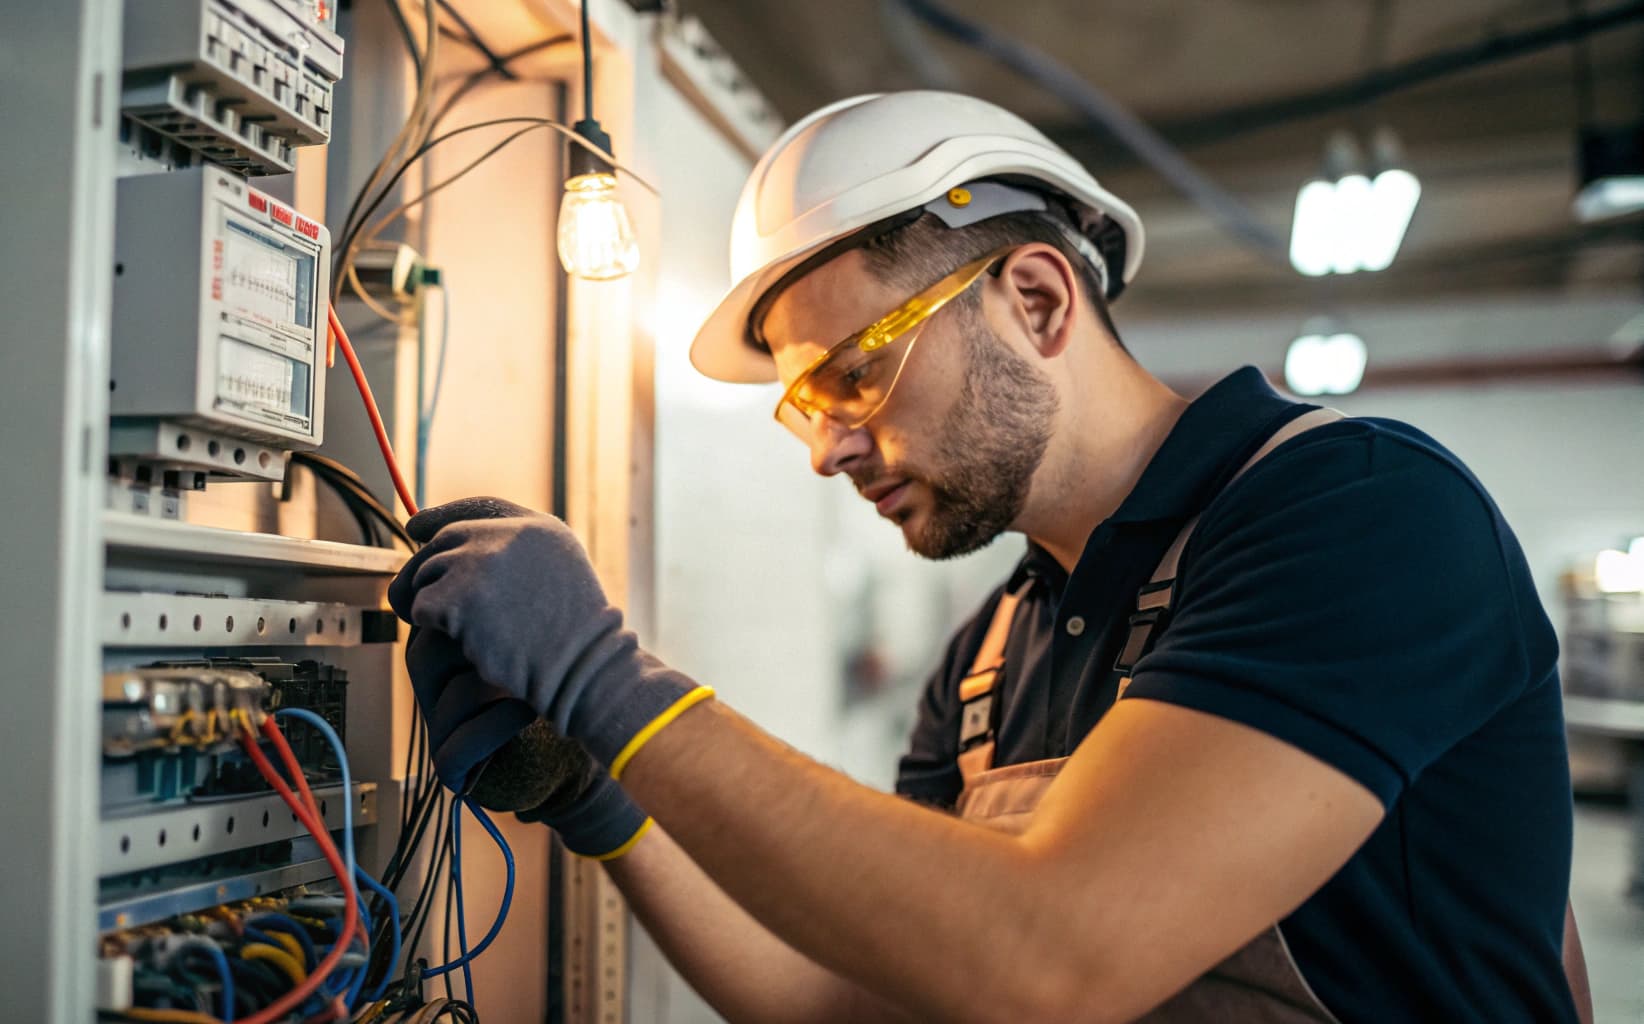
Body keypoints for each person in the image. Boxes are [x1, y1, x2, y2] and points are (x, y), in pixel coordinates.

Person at [389, 91, 1592, 1022]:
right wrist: (601, 793)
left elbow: (1055, 954)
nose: (828, 450)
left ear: (1033, 297)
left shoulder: (1353, 515)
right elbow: (847, 998)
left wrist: (610, 680)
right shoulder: (987, 660)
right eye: (802, 406)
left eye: (852, 372)